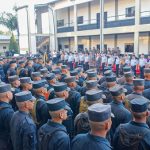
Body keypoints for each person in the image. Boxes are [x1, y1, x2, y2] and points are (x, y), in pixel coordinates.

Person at [0, 84, 14, 150]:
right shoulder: (8, 112)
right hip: (5, 143)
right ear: (8, 95)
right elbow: (12, 130)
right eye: (11, 92)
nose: (12, 93)